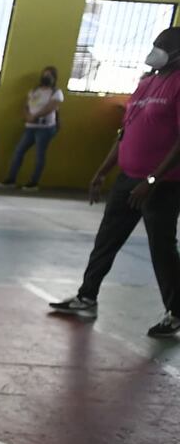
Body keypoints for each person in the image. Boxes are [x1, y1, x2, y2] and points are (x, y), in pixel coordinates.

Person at [49, 27, 180, 337]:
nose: (155, 49)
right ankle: (86, 296)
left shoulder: (177, 84)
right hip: (127, 178)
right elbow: (125, 132)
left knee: (161, 248)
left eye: (162, 46)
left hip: (161, 184)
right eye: (155, 44)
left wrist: (152, 179)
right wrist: (103, 169)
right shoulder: (146, 83)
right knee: (106, 239)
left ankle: (175, 312)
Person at [0, 66, 64, 191]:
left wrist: (34, 116)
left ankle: (33, 182)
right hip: (30, 127)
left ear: (54, 78)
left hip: (45, 128)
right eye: (45, 74)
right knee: (18, 151)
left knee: (39, 155)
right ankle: (11, 179)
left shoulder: (56, 92)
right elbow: (26, 106)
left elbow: (50, 108)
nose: (46, 77)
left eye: (49, 75)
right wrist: (28, 117)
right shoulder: (34, 91)